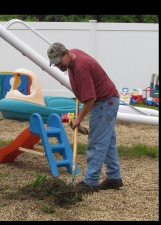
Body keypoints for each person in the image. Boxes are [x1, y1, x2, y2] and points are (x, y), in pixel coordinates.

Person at [47, 42, 123, 192]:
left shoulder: (81, 67)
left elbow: (90, 99)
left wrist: (79, 119)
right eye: (55, 64)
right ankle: (114, 177)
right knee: (107, 142)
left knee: (96, 142)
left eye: (59, 62)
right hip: (108, 100)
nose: (58, 66)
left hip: (104, 103)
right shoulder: (73, 57)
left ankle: (90, 181)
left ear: (66, 53)